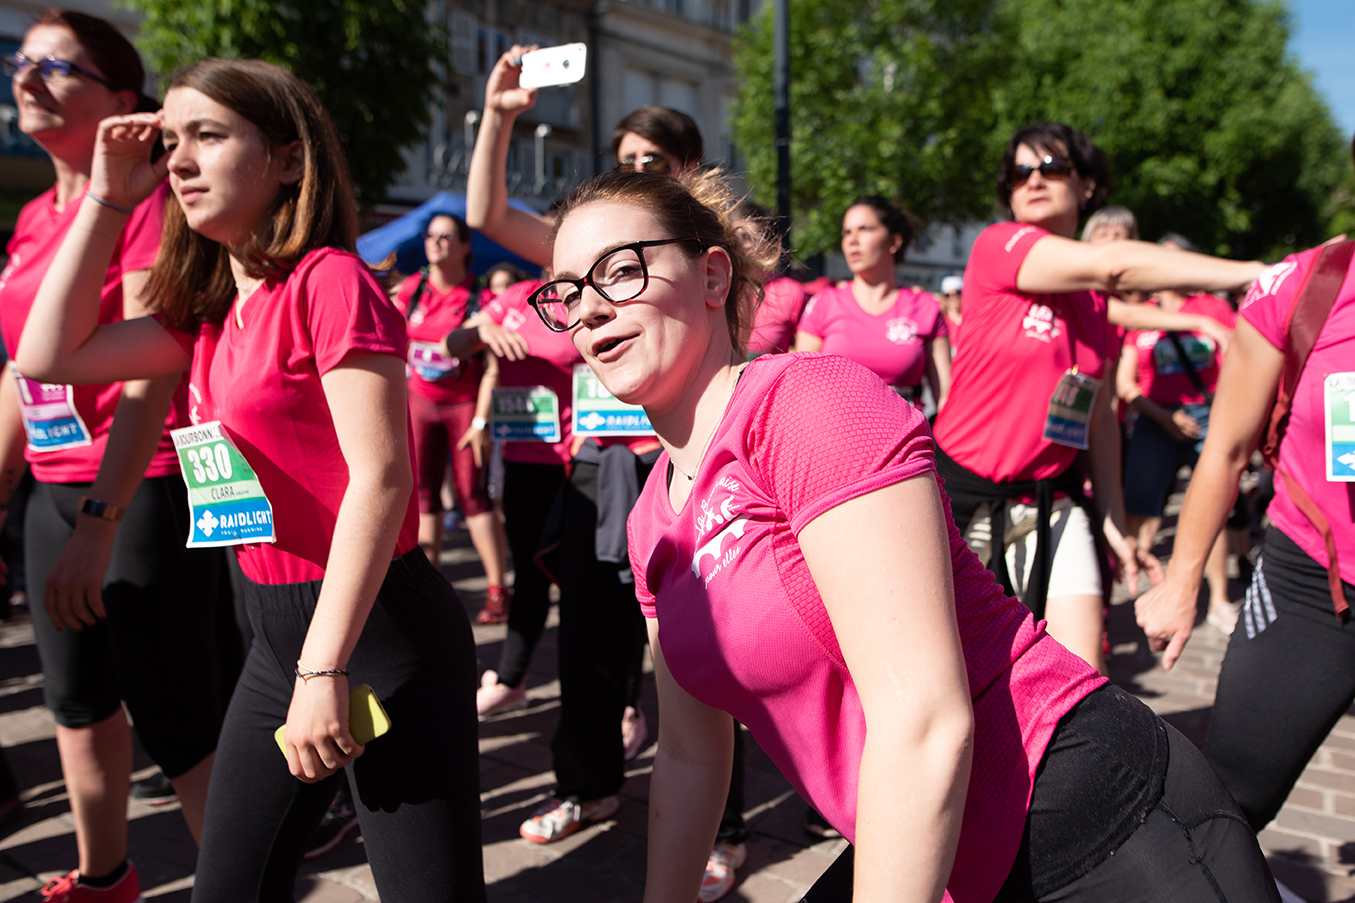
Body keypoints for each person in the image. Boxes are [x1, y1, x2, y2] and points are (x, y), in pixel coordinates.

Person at [536, 164, 1281, 902]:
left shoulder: (804, 402)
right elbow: (690, 754)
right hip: (936, 849)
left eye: (620, 271)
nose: (589, 308)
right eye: (566, 292)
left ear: (712, 276)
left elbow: (923, 719)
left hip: (1090, 824)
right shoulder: (650, 523)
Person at [15, 57, 484, 901]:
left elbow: (383, 479)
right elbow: (45, 355)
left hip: (376, 637)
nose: (180, 161)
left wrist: (324, 671)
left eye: (208, 135)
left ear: (289, 157)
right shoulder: (207, 312)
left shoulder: (329, 280)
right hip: (274, 638)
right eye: (170, 142)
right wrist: (109, 197)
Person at [466, 47, 751, 899]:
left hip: (690, 465)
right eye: (623, 160)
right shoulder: (588, 248)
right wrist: (499, 115)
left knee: (702, 655)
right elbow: (486, 213)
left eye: (651, 162)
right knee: (590, 641)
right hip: (599, 470)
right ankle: (587, 785)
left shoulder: (720, 254)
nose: (634, 171)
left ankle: (725, 829)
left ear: (689, 169)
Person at [0, 13, 224, 900]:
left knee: (178, 718)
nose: (27, 77)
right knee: (76, 701)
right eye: (22, 62)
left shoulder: (147, 205)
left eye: (56, 66)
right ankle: (104, 877)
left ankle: (237, 884)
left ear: (122, 101)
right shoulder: (31, 216)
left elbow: (151, 373)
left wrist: (102, 518)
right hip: (50, 491)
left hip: (141, 488)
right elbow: (21, 369)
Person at [931, 122, 1265, 673]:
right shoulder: (999, 245)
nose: (1034, 180)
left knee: (1083, 674)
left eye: (1052, 167)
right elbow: (1114, 264)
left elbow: (1100, 418)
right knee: (955, 674)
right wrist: (1259, 274)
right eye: (1020, 172)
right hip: (963, 498)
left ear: (1087, 185)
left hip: (1054, 499)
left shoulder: (1094, 302)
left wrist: (1111, 520)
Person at [1135, 204, 1355, 844]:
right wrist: (1182, 584)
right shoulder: (1306, 284)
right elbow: (1227, 450)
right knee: (1230, 801)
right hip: (1314, 580)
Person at [1116, 235, 1239, 634]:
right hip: (1155, 419)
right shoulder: (1140, 315)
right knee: (1141, 509)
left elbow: (1239, 363)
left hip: (1209, 415)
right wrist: (1165, 418)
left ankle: (1218, 600)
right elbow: (1126, 383)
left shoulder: (1213, 308)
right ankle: (1135, 592)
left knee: (1211, 511)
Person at [397, 213, 510, 623]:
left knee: (473, 496)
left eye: (446, 236)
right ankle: (429, 588)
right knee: (424, 494)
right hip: (420, 403)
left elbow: (494, 367)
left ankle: (498, 590)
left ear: (464, 246)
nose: (436, 242)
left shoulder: (481, 296)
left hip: (464, 404)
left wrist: (481, 422)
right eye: (430, 235)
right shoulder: (412, 289)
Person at [796, 197, 951, 409]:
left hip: (906, 427)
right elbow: (801, 389)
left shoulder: (925, 307)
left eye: (865, 229)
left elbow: (946, 399)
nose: (852, 240)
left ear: (894, 242)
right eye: (846, 232)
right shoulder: (824, 303)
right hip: (834, 427)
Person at [734, 200, 806, 358]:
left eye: (746, 236)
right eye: (733, 237)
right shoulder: (718, 288)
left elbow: (803, 354)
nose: (737, 243)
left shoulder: (791, 293)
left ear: (769, 243)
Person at [940, 274, 963, 340]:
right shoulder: (942, 322)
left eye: (958, 293)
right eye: (948, 295)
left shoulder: (971, 320)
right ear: (943, 298)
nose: (954, 299)